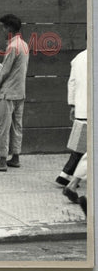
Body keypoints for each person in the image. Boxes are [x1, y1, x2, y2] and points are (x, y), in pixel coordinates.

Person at [0, 14, 29, 171]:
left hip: (8, 92)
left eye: (4, 27)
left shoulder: (12, 47)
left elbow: (4, 71)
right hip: (20, 91)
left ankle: (2, 160)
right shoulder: (24, 45)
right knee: (17, 125)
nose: (2, 30)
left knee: (3, 126)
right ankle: (16, 156)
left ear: (10, 28)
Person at [56, 48, 87, 186]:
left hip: (81, 107)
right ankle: (68, 177)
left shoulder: (78, 58)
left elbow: (72, 82)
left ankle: (66, 175)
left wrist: (73, 104)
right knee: (84, 146)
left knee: (82, 145)